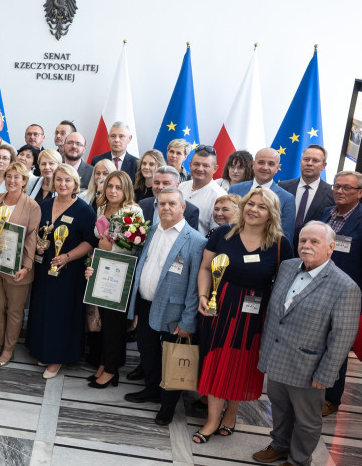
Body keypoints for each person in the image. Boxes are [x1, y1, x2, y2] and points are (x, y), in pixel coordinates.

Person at [254, 221, 361, 466]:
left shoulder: (344, 287)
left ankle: (299, 462)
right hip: (277, 357)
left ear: (331, 248)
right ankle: (279, 445)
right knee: (279, 407)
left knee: (306, 419)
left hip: (308, 367)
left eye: (315, 242)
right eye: (303, 241)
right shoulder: (288, 267)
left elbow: (342, 337)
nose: (306, 246)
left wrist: (325, 375)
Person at [193, 188, 292, 443]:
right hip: (220, 306)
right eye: (250, 203)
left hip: (255, 314)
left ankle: (232, 412)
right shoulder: (222, 235)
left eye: (261, 206)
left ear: (271, 214)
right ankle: (213, 419)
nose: (253, 209)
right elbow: (205, 267)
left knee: (240, 363)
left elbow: (284, 285)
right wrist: (204, 296)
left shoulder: (281, 243)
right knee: (217, 360)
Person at [121, 188, 206, 424]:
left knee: (173, 357)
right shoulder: (149, 232)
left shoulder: (196, 241)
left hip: (175, 311)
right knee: (146, 349)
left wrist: (188, 320)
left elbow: (193, 285)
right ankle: (151, 389)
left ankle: (168, 405)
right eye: (162, 204)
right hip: (147, 304)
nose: (166, 208)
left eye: (171, 203)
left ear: (183, 208)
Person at [318, 170, 362, 416]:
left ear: (360, 192)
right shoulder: (327, 213)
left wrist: (355, 293)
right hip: (317, 291)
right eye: (337, 186)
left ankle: (332, 399)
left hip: (344, 297)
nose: (340, 191)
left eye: (347, 188)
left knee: (337, 347)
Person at [28, 163, 97, 379]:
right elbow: (39, 232)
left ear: (75, 183)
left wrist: (67, 257)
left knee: (61, 314)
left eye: (67, 180)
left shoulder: (84, 210)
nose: (63, 184)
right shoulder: (46, 204)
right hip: (44, 267)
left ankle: (57, 358)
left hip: (69, 271)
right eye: (59, 179)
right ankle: (42, 350)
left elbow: (90, 242)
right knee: (42, 309)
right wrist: (38, 244)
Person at [86, 171, 142, 388]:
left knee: (115, 324)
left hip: (120, 274)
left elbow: (136, 244)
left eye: (118, 187)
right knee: (105, 323)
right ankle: (104, 364)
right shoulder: (101, 208)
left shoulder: (133, 211)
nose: (113, 191)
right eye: (110, 186)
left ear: (126, 189)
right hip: (102, 271)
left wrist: (113, 247)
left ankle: (111, 369)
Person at [0, 162, 40, 367]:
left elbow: (31, 238)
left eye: (17, 177)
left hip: (18, 268)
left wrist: (26, 267)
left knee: (15, 311)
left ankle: (9, 349)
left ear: (25, 181)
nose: (12, 180)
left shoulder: (32, 206)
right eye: (9, 176)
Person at [228, 147, 296, 236]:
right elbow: (227, 222)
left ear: (277, 168)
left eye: (271, 164)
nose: (265, 167)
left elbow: (285, 236)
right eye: (261, 162)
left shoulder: (287, 198)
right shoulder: (235, 189)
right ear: (253, 164)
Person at [278, 144, 335, 245]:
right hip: (281, 245)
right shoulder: (282, 187)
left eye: (315, 161)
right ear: (300, 162)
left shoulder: (331, 194)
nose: (309, 163)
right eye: (306, 159)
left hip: (311, 249)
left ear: (323, 166)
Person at [179, 145, 225, 235]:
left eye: (206, 166)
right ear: (190, 165)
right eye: (196, 164)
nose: (200, 169)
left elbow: (215, 235)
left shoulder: (220, 197)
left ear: (215, 169)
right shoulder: (180, 187)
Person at [138, 166, 201, 232]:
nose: (160, 187)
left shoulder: (190, 211)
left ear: (177, 185)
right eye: (157, 183)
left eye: (166, 183)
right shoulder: (143, 205)